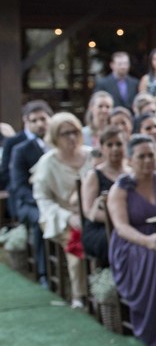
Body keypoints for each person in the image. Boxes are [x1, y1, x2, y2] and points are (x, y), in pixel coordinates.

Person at [108, 134, 156, 346]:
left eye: (151, 155)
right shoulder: (121, 188)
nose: (148, 161)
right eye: (141, 157)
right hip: (131, 244)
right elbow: (121, 227)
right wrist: (148, 241)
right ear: (130, 160)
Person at [32, 112, 93, 308]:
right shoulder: (47, 163)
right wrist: (68, 217)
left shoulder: (91, 155)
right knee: (76, 241)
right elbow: (43, 198)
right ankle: (79, 295)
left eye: (74, 131)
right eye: (65, 133)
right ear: (55, 137)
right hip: (60, 216)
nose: (72, 137)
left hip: (91, 212)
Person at [8, 101, 52, 284]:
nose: (40, 124)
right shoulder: (20, 149)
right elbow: (19, 186)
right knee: (41, 219)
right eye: (34, 120)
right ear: (27, 122)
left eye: (43, 119)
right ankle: (44, 273)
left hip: (56, 199)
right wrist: (41, 202)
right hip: (29, 203)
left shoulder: (56, 144)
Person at [81, 126, 129, 267]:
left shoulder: (132, 173)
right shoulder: (94, 175)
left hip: (129, 224)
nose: (115, 148)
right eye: (110, 145)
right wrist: (119, 221)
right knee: (122, 238)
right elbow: (88, 211)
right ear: (102, 148)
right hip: (100, 228)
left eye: (119, 144)